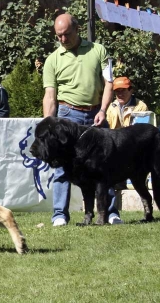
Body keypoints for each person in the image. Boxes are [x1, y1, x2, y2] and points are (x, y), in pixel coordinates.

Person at [42, 13, 123, 226]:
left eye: (66, 34)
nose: (62, 39)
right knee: (62, 167)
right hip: (68, 116)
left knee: (104, 165)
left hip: (96, 113)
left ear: (77, 29)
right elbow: (50, 95)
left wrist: (104, 109)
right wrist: (49, 126)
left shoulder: (98, 51)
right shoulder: (53, 60)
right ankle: (60, 215)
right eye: (58, 35)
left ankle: (111, 212)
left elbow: (109, 83)